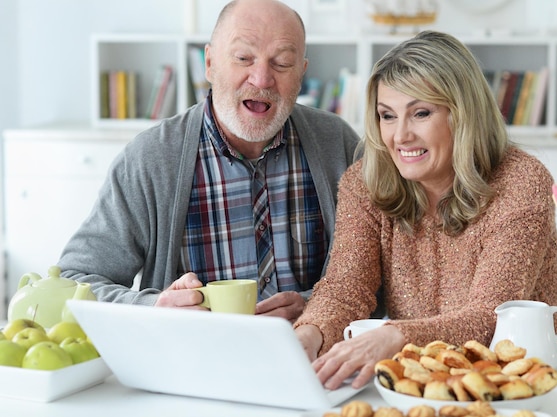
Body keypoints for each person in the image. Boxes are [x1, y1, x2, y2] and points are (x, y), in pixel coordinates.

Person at [294, 30, 557, 390]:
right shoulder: (365, 182)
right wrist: (310, 335)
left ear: (463, 114)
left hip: (535, 379)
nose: (400, 136)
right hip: (428, 381)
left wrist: (395, 336)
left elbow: (491, 316)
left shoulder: (521, 181)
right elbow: (345, 288)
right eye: (387, 115)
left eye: (421, 113)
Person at [56, 0, 360, 322]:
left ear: (301, 73)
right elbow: (72, 282)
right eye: (243, 58)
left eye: (282, 63)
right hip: (189, 363)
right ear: (210, 63)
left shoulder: (338, 146)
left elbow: (381, 271)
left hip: (314, 362)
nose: (261, 79)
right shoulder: (149, 160)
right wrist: (153, 307)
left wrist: (320, 307)